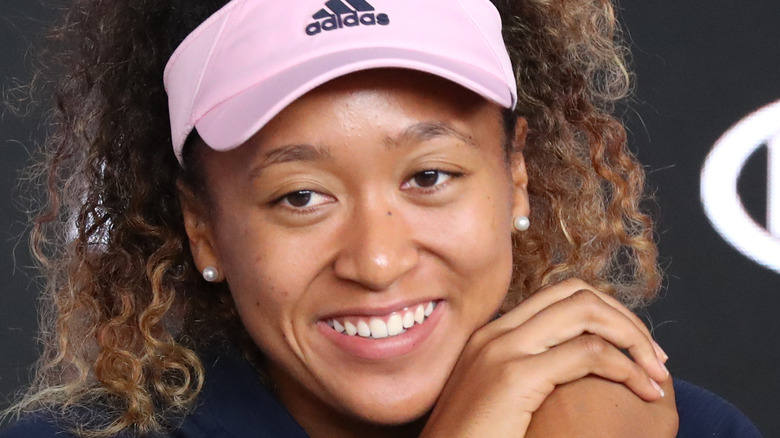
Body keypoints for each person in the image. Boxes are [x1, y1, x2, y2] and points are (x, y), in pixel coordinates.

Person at [0, 0, 762, 437]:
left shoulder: (684, 430)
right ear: (204, 227)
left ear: (517, 177)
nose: (377, 261)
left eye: (430, 176)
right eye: (300, 196)